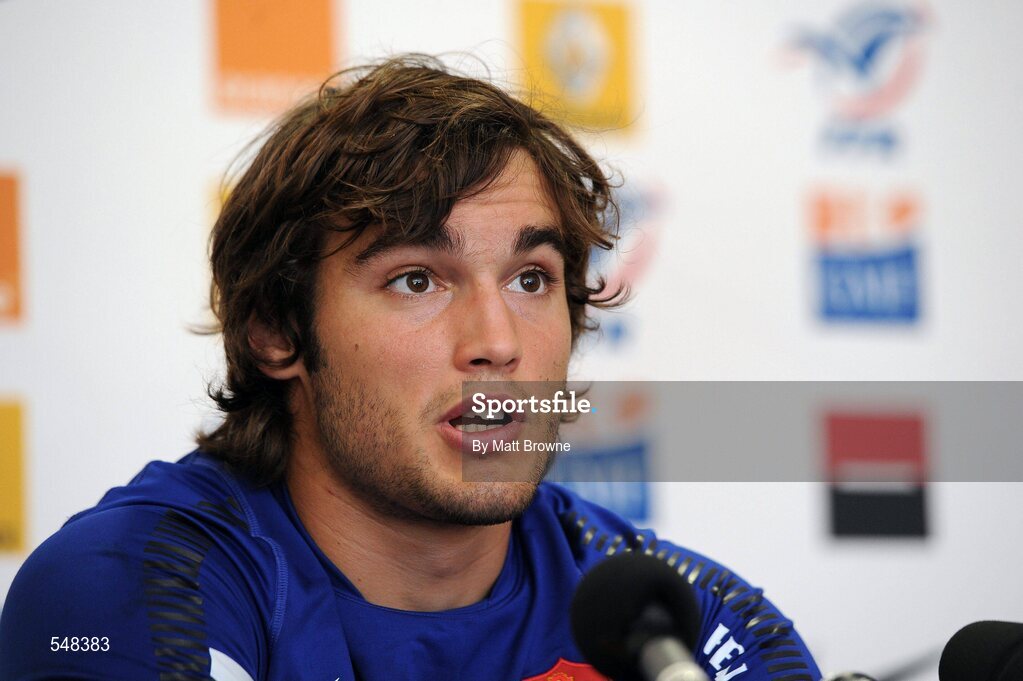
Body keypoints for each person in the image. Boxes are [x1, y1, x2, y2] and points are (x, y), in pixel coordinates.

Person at [0, 55, 821, 681]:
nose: (497, 341)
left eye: (530, 279)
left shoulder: (681, 626)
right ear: (276, 330)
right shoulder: (123, 589)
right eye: (417, 280)